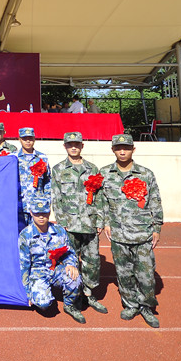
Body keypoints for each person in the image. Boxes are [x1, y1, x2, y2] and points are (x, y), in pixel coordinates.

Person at [98, 134, 163, 328]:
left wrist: (157, 227)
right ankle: (131, 305)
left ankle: (146, 306)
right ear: (113, 150)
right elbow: (102, 202)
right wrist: (106, 222)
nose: (122, 151)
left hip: (142, 233)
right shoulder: (105, 173)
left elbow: (155, 201)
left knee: (146, 275)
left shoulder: (146, 174)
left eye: (126, 148)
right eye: (118, 148)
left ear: (133, 149)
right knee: (124, 274)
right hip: (118, 234)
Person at [50, 132, 107, 314]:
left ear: (82, 146)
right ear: (65, 146)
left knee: (92, 261)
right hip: (70, 224)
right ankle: (74, 295)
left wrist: (100, 220)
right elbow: (56, 197)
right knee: (70, 260)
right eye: (70, 144)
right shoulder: (58, 169)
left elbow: (99, 197)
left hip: (89, 223)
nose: (73, 147)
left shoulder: (92, 168)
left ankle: (89, 294)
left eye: (76, 144)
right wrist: (62, 221)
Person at [19, 195, 86, 324]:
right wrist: (27, 293)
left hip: (55, 269)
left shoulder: (59, 230)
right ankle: (43, 292)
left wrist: (70, 264)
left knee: (75, 278)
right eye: (37, 213)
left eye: (44, 213)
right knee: (44, 304)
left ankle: (69, 305)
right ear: (31, 212)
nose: (41, 216)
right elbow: (24, 266)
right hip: (37, 272)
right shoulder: (25, 235)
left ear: (49, 212)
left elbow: (69, 252)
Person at [15, 127, 50, 231]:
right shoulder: (13, 158)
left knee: (37, 234)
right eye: (24, 138)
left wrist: (47, 202)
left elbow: (47, 182)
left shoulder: (42, 158)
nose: (28, 141)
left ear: (34, 139)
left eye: (30, 138)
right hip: (19, 205)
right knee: (19, 235)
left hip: (37, 206)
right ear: (19, 139)